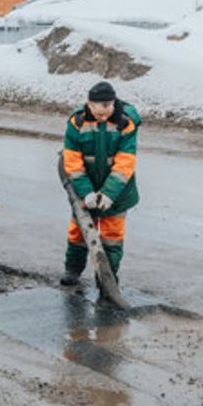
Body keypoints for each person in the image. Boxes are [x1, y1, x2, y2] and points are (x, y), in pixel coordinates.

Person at [60, 81, 141, 292]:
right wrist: (86, 192)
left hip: (118, 193)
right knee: (79, 231)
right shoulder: (76, 123)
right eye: (99, 106)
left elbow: (125, 163)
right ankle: (73, 270)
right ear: (89, 103)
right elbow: (73, 164)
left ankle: (107, 280)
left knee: (111, 238)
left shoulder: (126, 123)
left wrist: (108, 194)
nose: (104, 111)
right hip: (84, 190)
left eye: (108, 105)